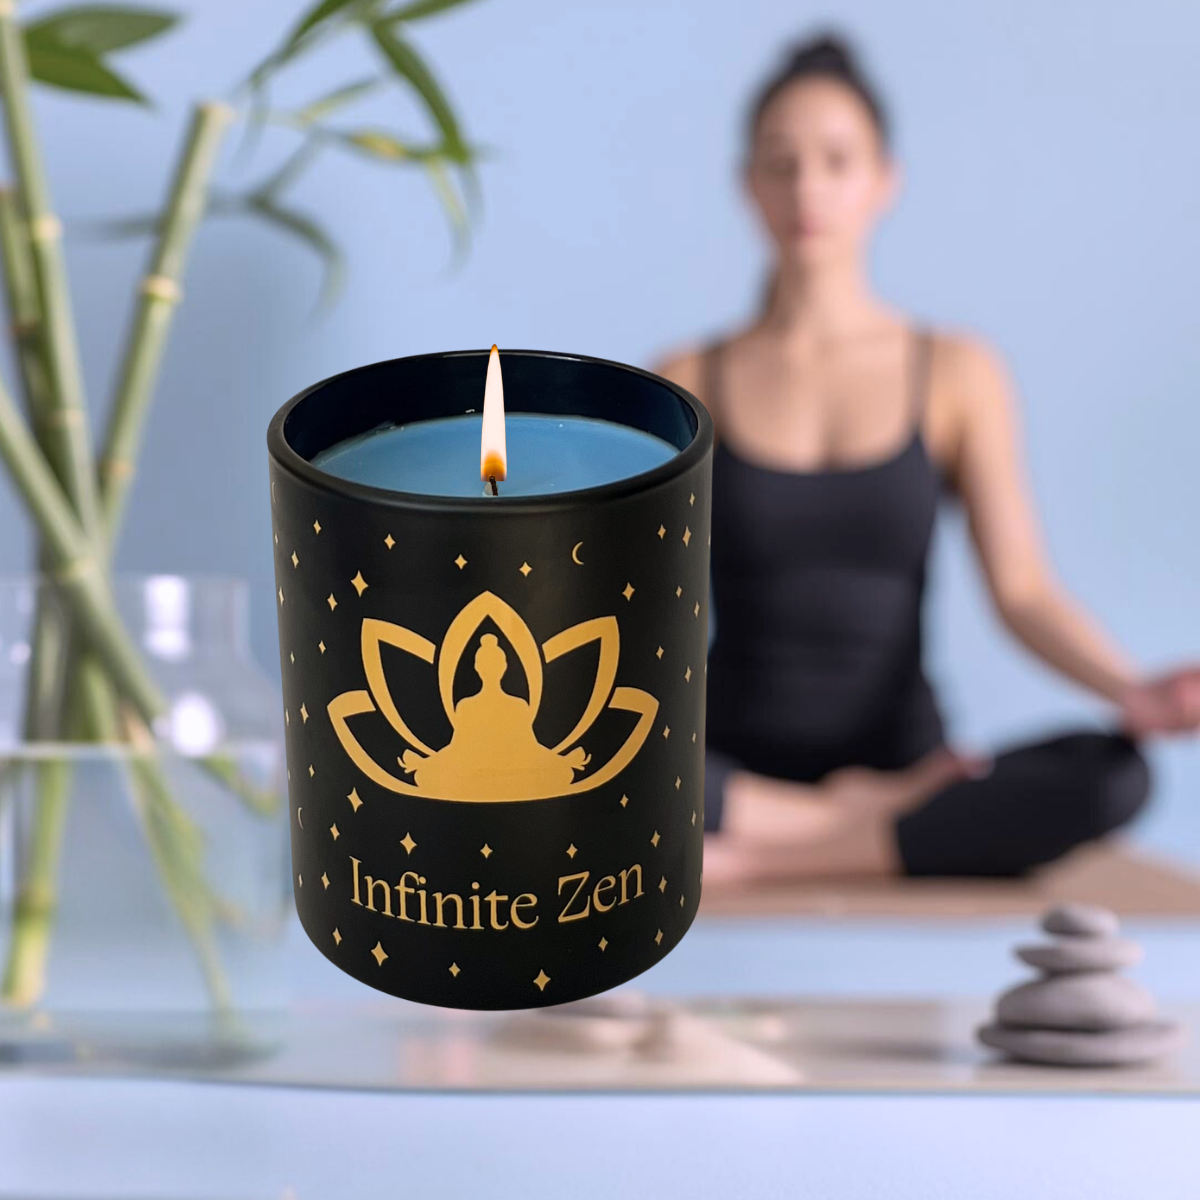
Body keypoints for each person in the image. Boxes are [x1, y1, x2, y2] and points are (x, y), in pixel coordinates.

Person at [653, 34, 1200, 883]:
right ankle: (851, 829)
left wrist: (1130, 689)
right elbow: (643, 607)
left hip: (909, 761)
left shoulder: (954, 371)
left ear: (884, 181)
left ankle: (760, 863)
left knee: (1114, 774)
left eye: (837, 161)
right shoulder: (686, 381)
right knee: (603, 763)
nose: (808, 188)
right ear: (748, 185)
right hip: (733, 767)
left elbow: (1022, 589)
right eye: (782, 163)